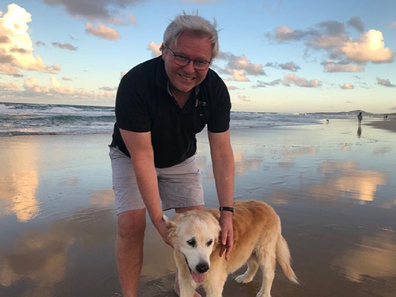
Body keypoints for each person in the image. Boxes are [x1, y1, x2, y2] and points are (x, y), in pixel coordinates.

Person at [109, 12, 235, 297]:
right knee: (131, 224)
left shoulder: (215, 89)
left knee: (196, 231)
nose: (190, 69)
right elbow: (142, 157)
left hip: (181, 159)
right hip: (131, 157)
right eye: (181, 57)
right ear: (163, 50)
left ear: (209, 62)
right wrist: (157, 219)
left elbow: (222, 152)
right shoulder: (135, 84)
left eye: (200, 61)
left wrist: (227, 212)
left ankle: (184, 293)